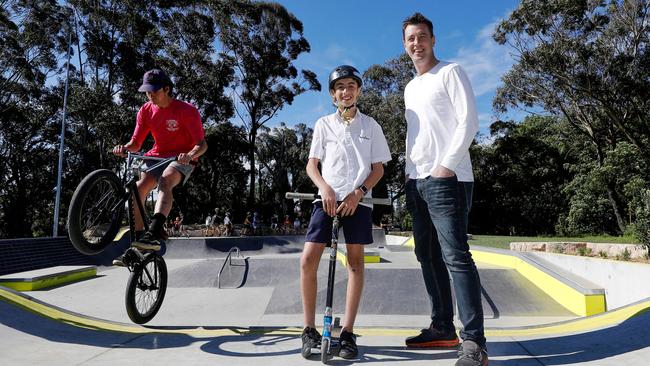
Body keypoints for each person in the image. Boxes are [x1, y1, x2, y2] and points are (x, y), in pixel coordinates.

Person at [401, 13, 487, 366]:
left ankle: (474, 343)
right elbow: (416, 138)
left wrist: (445, 166)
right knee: (427, 255)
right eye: (410, 39)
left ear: (433, 40)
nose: (417, 43)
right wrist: (410, 175)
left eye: (422, 36)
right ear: (405, 45)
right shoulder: (409, 87)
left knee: (456, 256)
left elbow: (469, 121)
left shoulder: (450, 72)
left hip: (447, 178)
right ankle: (442, 328)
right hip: (417, 180)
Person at [300, 65, 391, 360]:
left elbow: (378, 169)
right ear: (332, 94)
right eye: (340, 87)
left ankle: (348, 333)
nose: (346, 91)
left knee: (355, 264)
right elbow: (312, 165)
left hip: (357, 202)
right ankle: (308, 329)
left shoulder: (371, 126)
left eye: (351, 85)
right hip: (325, 200)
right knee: (307, 260)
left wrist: (359, 193)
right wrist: (325, 188)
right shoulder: (323, 124)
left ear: (359, 90)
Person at [112, 69, 207, 256]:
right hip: (156, 155)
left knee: (166, 180)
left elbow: (202, 144)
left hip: (181, 158)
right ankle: (140, 241)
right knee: (138, 189)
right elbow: (136, 143)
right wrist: (124, 148)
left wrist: (190, 154)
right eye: (147, 91)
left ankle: (154, 231)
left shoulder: (187, 111)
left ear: (167, 89)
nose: (150, 95)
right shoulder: (146, 110)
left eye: (154, 91)